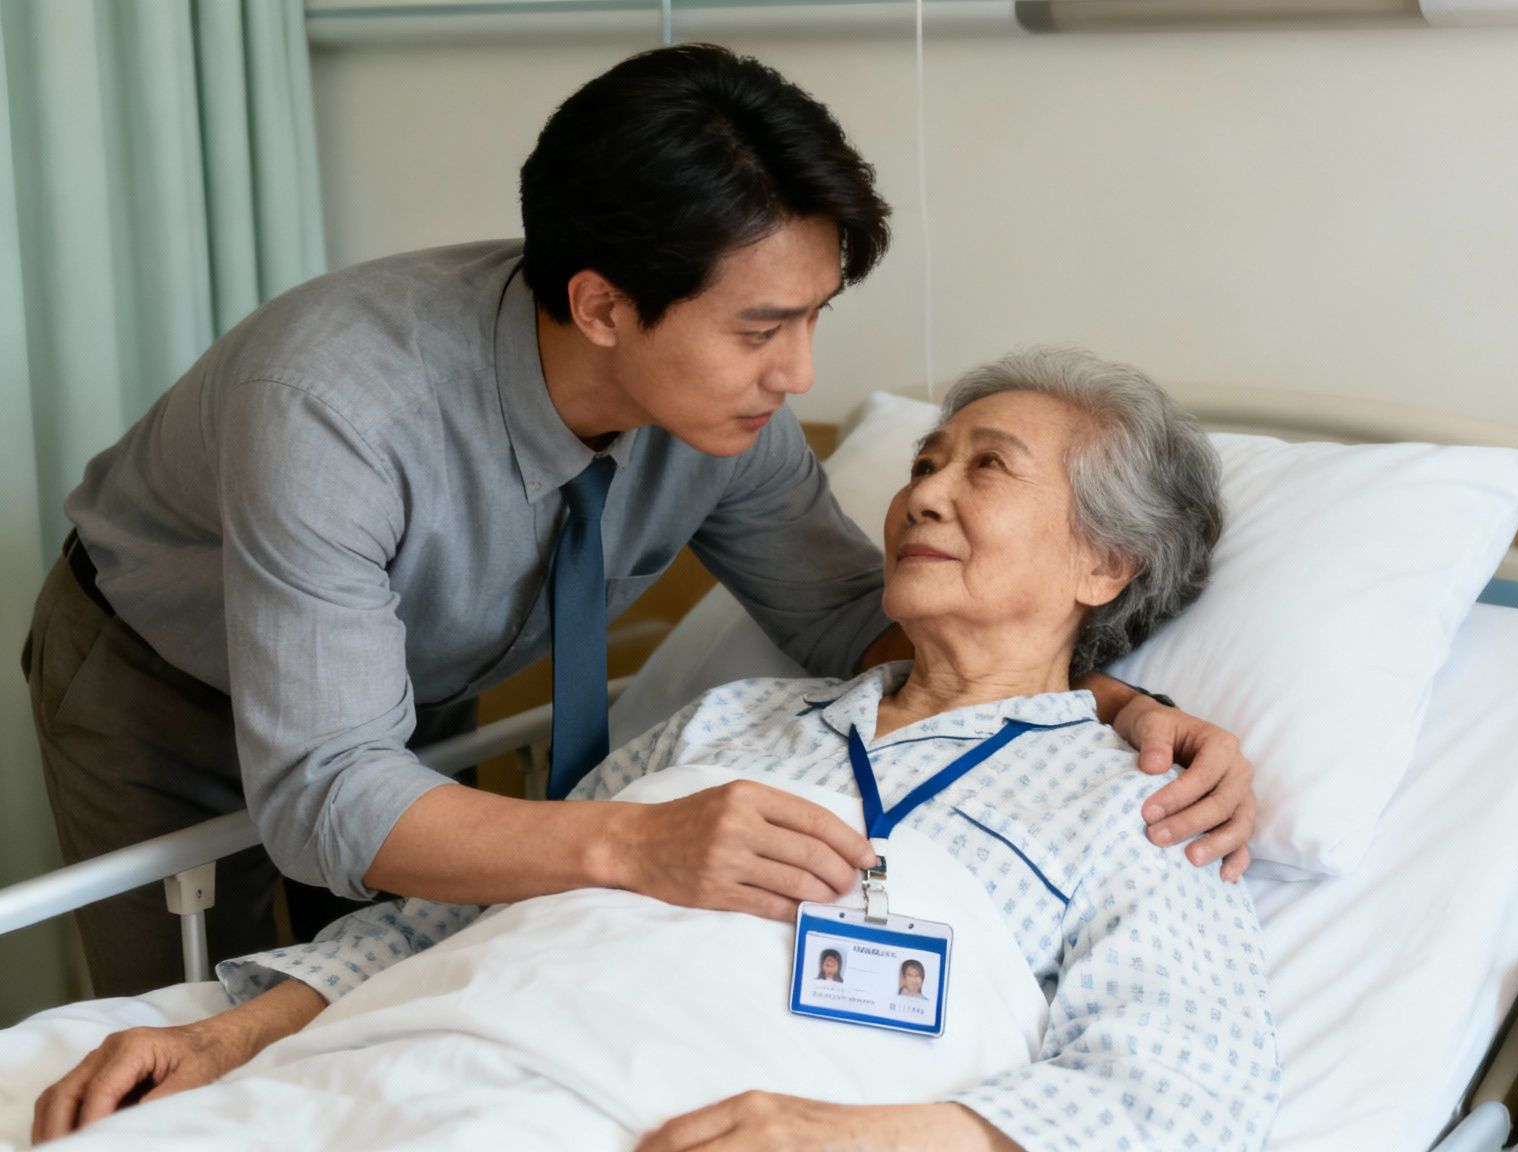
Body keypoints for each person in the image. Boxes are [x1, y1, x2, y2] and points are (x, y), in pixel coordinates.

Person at [18, 44, 1256, 1000]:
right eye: (762, 329)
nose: (799, 377)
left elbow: (844, 622)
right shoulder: (336, 407)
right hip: (162, 677)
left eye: (814, 314)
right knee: (187, 1022)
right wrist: (630, 845)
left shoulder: (728, 423)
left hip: (403, 686)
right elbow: (329, 794)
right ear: (602, 306)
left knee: (384, 974)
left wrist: (1108, 703)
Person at [33, 350, 1281, 1152]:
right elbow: (449, 913)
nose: (922, 496)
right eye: (923, 462)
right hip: (406, 1056)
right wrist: (231, 1032)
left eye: (986, 469)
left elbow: (1177, 1103)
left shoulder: (1142, 803)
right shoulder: (728, 722)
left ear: (1103, 564)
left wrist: (847, 1137)